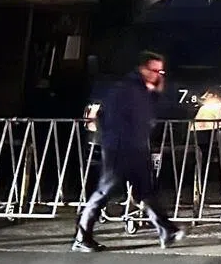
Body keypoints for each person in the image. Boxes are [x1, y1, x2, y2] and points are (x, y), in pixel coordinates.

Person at [73, 50, 184, 251]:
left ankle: (167, 230)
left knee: (146, 191)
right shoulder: (125, 89)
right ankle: (82, 236)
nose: (158, 74)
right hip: (120, 149)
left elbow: (151, 112)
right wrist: (120, 141)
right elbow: (113, 120)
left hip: (136, 147)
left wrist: (156, 92)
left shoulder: (142, 89)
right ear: (142, 68)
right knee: (104, 192)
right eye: (154, 70)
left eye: (161, 71)